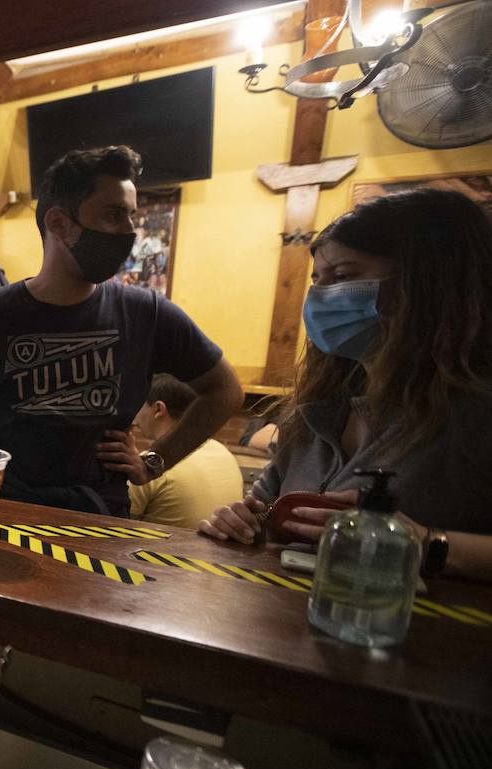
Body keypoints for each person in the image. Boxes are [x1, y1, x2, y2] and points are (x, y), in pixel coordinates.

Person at [0, 145, 242, 515]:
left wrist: (155, 462)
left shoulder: (147, 313)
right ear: (58, 223)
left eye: (131, 216)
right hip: (1, 511)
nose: (130, 231)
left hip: (98, 521)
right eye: (114, 215)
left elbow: (225, 391)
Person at [199, 189, 492, 581]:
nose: (321, 296)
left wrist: (425, 543)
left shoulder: (475, 413)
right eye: (318, 280)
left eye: (344, 277)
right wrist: (241, 523)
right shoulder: (319, 409)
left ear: (428, 283)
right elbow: (266, 513)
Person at [129, 374, 243, 528]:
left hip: (166, 551)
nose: (135, 414)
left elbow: (113, 528)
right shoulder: (222, 451)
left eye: (140, 404)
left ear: (158, 409)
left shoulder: (148, 467)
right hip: (220, 551)